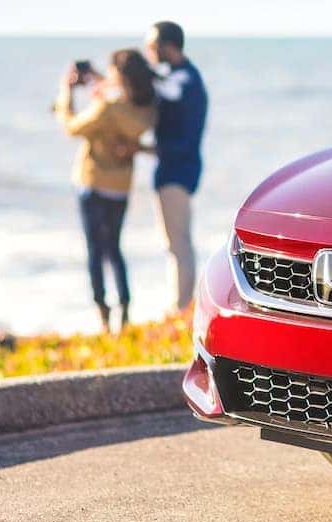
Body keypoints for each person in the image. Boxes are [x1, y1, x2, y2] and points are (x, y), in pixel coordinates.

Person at [55, 49, 156, 332]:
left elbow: (72, 127)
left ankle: (102, 312)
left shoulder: (108, 108)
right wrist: (101, 81)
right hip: (121, 186)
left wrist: (66, 91)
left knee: (95, 250)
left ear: (120, 76)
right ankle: (125, 307)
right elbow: (125, 98)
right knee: (115, 248)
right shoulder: (147, 108)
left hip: (93, 181)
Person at [144, 21, 208, 313]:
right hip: (174, 170)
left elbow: (185, 137)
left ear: (167, 47)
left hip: (177, 173)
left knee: (178, 242)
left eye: (153, 47)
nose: (150, 53)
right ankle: (180, 305)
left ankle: (182, 307)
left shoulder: (185, 82)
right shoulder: (178, 78)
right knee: (176, 242)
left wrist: (144, 148)